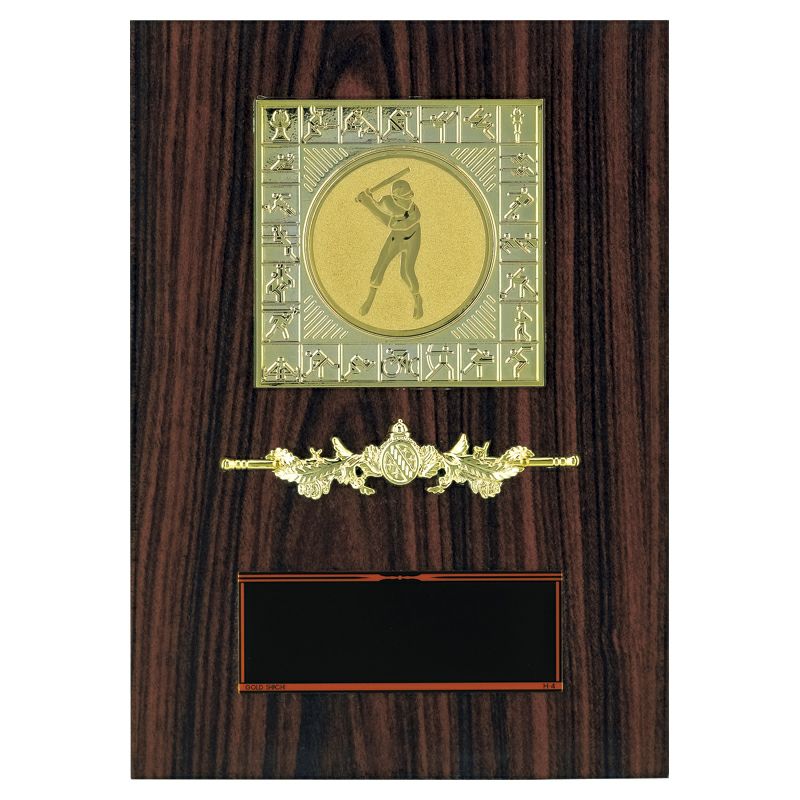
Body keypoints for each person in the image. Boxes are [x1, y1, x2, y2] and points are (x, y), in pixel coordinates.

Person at [356, 179, 423, 319]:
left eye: (410, 195)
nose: (409, 199)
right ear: (395, 198)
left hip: (412, 237)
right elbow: (380, 207)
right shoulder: (387, 201)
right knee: (380, 265)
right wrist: (369, 198)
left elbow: (389, 222)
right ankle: (370, 299)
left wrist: (368, 204)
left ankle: (417, 299)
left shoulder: (414, 211)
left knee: (406, 272)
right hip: (396, 238)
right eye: (405, 196)